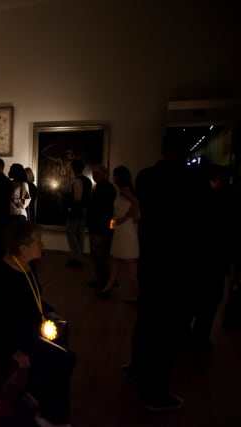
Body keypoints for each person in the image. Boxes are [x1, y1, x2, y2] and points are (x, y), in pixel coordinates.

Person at [123, 132, 209, 412]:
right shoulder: (192, 180)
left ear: (161, 149)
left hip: (152, 258)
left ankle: (137, 368)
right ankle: (155, 392)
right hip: (178, 264)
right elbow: (198, 223)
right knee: (169, 329)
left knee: (147, 317)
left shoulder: (145, 177)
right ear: (184, 152)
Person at [0, 221, 76, 427]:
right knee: (65, 358)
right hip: (16, 336)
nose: (42, 245)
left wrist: (52, 313)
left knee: (62, 335)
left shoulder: (27, 266)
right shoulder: (1, 275)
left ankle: (37, 392)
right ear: (23, 248)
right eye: (38, 242)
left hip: (31, 327)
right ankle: (50, 415)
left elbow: (33, 299)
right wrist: (12, 350)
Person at [190, 164, 234, 350]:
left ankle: (186, 334)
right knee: (210, 302)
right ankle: (200, 340)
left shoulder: (195, 198)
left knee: (194, 297)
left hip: (196, 259)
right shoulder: (220, 201)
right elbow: (225, 235)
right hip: (214, 260)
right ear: (217, 178)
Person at [97, 166, 139, 299]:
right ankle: (108, 287)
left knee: (129, 263)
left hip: (125, 229)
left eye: (114, 175)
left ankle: (139, 293)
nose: (113, 177)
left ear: (119, 177)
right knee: (116, 260)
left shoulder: (124, 191)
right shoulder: (123, 191)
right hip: (122, 229)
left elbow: (136, 204)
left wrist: (124, 218)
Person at [86, 165, 116, 290]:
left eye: (96, 173)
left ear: (104, 173)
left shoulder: (105, 188)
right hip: (100, 226)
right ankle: (102, 280)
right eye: (93, 173)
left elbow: (102, 209)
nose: (94, 176)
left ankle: (109, 280)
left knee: (98, 254)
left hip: (100, 227)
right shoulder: (103, 187)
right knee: (98, 254)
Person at [64, 159, 92, 268]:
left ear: (73, 169)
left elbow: (77, 197)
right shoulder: (88, 181)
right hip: (85, 209)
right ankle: (79, 256)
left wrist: (69, 201)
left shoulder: (77, 181)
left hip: (77, 209)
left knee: (70, 232)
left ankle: (78, 257)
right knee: (79, 233)